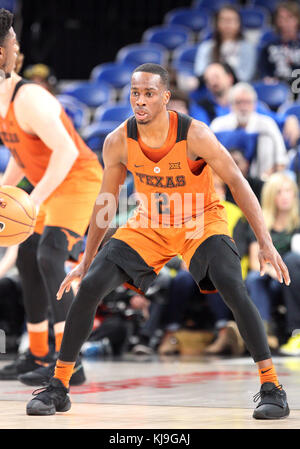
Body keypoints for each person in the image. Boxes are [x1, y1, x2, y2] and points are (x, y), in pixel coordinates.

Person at [26, 62, 290, 420]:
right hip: (149, 224)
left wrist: (266, 241)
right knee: (89, 286)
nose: (140, 100)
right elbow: (106, 203)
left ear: (166, 97)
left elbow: (238, 183)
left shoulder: (195, 134)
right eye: (135, 93)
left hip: (200, 220)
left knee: (231, 283)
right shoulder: (118, 140)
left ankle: (271, 386)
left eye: (149, 93)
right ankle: (59, 386)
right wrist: (87, 259)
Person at [0, 9, 103, 385]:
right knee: (27, 253)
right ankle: (38, 352)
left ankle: (70, 363)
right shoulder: (1, 99)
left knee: (49, 253)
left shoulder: (29, 98)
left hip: (78, 177)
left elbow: (67, 153)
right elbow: (20, 153)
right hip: (49, 180)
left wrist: (30, 200)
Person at [246, 173, 300, 354]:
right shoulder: (260, 224)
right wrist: (274, 272)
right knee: (254, 278)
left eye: (288, 191)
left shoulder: (297, 223)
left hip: (294, 278)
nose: (284, 196)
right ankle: (263, 333)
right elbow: (255, 262)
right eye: (278, 192)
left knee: (292, 260)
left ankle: (293, 332)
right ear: (270, 196)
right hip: (270, 277)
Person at [210, 82, 289, 179]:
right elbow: (208, 158)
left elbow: (281, 160)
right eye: (239, 102)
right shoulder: (218, 125)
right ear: (230, 105)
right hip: (224, 180)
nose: (243, 107)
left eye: (247, 102)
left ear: (255, 105)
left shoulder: (267, 125)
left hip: (262, 180)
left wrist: (265, 180)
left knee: (266, 139)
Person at [194, 5, 256, 82]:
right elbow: (200, 72)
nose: (228, 24)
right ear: (216, 23)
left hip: (237, 86)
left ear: (239, 24)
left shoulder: (247, 47)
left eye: (232, 20)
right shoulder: (207, 47)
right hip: (211, 86)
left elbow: (245, 76)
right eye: (224, 20)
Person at [258, 1, 300, 86]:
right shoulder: (269, 46)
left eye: (289, 17)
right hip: (276, 89)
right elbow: (263, 72)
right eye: (281, 18)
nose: (284, 22)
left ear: (297, 19)